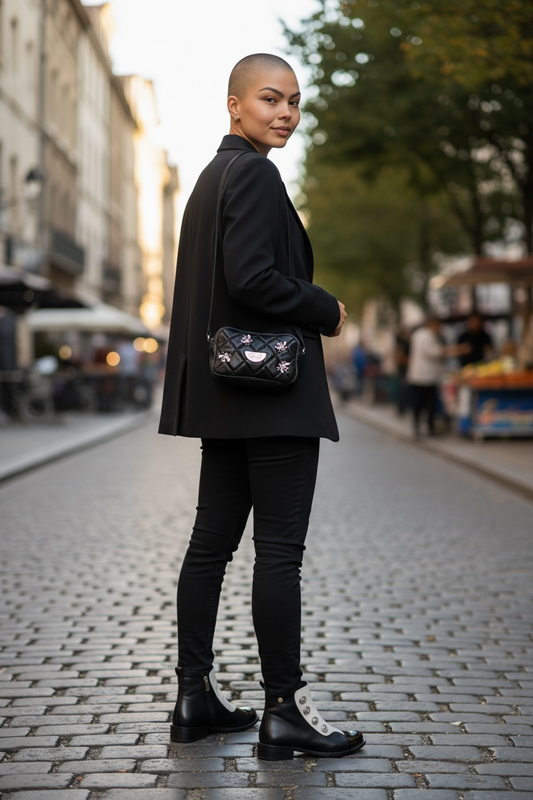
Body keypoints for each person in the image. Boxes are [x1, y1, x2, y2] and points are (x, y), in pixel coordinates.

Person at [158, 54, 364, 761]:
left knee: (210, 548)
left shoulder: (213, 177)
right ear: (233, 104)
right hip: (270, 396)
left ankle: (194, 697)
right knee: (278, 554)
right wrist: (325, 308)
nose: (285, 113)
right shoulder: (253, 172)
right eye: (270, 99)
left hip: (226, 396)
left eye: (294, 102)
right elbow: (250, 278)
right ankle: (284, 712)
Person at [407, 316, 466, 437]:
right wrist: (456, 350)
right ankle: (426, 427)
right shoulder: (426, 336)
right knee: (427, 403)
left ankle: (421, 426)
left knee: (421, 402)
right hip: (425, 376)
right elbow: (434, 352)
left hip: (421, 375)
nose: (439, 328)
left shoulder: (418, 334)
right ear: (433, 324)